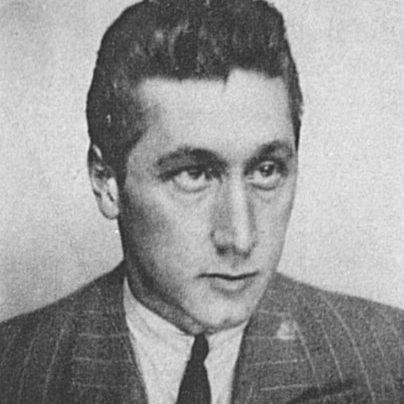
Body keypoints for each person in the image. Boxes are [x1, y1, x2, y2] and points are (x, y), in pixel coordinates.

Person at [1, 0, 404, 403]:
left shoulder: (389, 357)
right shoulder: (14, 370)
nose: (241, 238)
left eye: (266, 170)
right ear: (106, 182)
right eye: (193, 175)